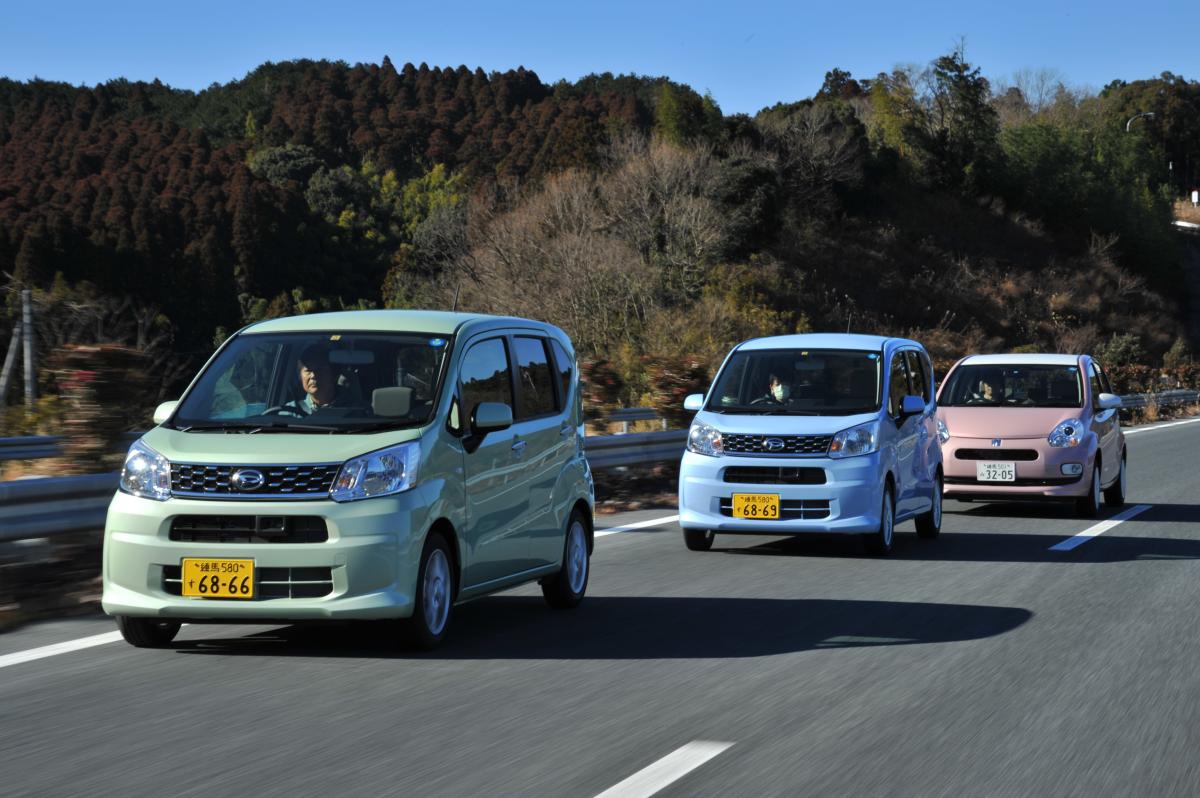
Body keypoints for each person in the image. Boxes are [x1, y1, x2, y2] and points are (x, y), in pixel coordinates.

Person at [277, 345, 347, 416]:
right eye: (308, 370)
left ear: (333, 373)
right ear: (300, 376)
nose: (313, 375)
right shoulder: (290, 412)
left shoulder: (353, 410)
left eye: (320, 369)